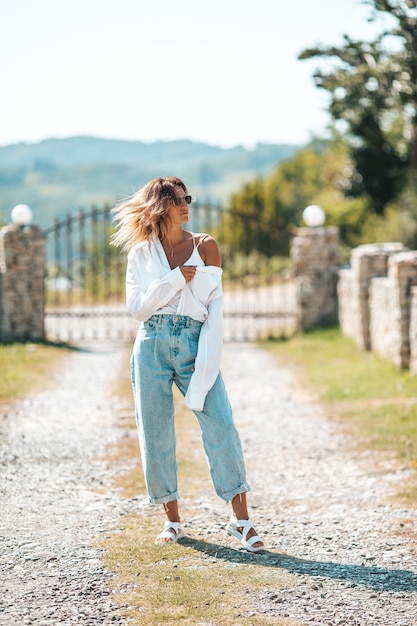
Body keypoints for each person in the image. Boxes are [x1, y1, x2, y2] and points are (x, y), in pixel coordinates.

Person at [111, 176, 264, 552]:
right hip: (150, 345)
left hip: (195, 342)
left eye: (186, 197)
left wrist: (206, 364)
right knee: (155, 433)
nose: (185, 204)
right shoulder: (141, 255)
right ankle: (172, 520)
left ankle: (240, 521)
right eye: (177, 199)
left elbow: (214, 310)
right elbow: (138, 309)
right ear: (159, 207)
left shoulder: (205, 245)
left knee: (222, 423)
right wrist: (175, 279)